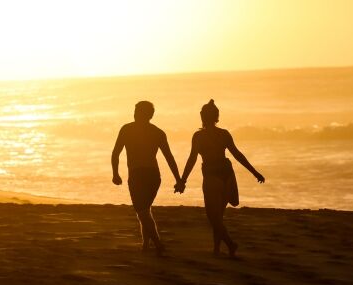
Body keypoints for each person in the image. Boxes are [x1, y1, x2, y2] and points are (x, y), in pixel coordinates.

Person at [175, 99, 265, 258]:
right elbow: (237, 155)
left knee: (212, 216)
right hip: (227, 173)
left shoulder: (198, 136)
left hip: (212, 174)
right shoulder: (224, 134)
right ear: (216, 117)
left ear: (202, 117)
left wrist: (183, 180)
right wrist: (255, 172)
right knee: (219, 216)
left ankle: (230, 244)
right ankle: (216, 249)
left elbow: (192, 159)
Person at [112, 101, 182, 254]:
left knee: (142, 211)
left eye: (138, 110)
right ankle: (145, 245)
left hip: (141, 175)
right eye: (136, 110)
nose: (135, 113)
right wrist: (178, 180)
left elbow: (169, 157)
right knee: (144, 210)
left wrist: (179, 179)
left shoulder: (129, 129)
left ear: (147, 114)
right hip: (153, 176)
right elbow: (115, 153)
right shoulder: (155, 132)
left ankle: (157, 244)